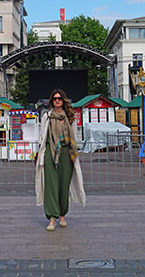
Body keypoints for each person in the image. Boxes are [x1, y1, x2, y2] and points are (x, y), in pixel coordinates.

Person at [34, 88, 86, 231]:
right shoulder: (47, 117)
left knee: (64, 185)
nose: (57, 101)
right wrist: (39, 153)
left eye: (59, 98)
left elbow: (74, 138)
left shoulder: (70, 117)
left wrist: (73, 155)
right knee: (50, 185)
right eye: (55, 99)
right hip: (50, 152)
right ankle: (52, 217)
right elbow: (42, 135)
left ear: (63, 100)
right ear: (52, 101)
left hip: (66, 153)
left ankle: (62, 215)